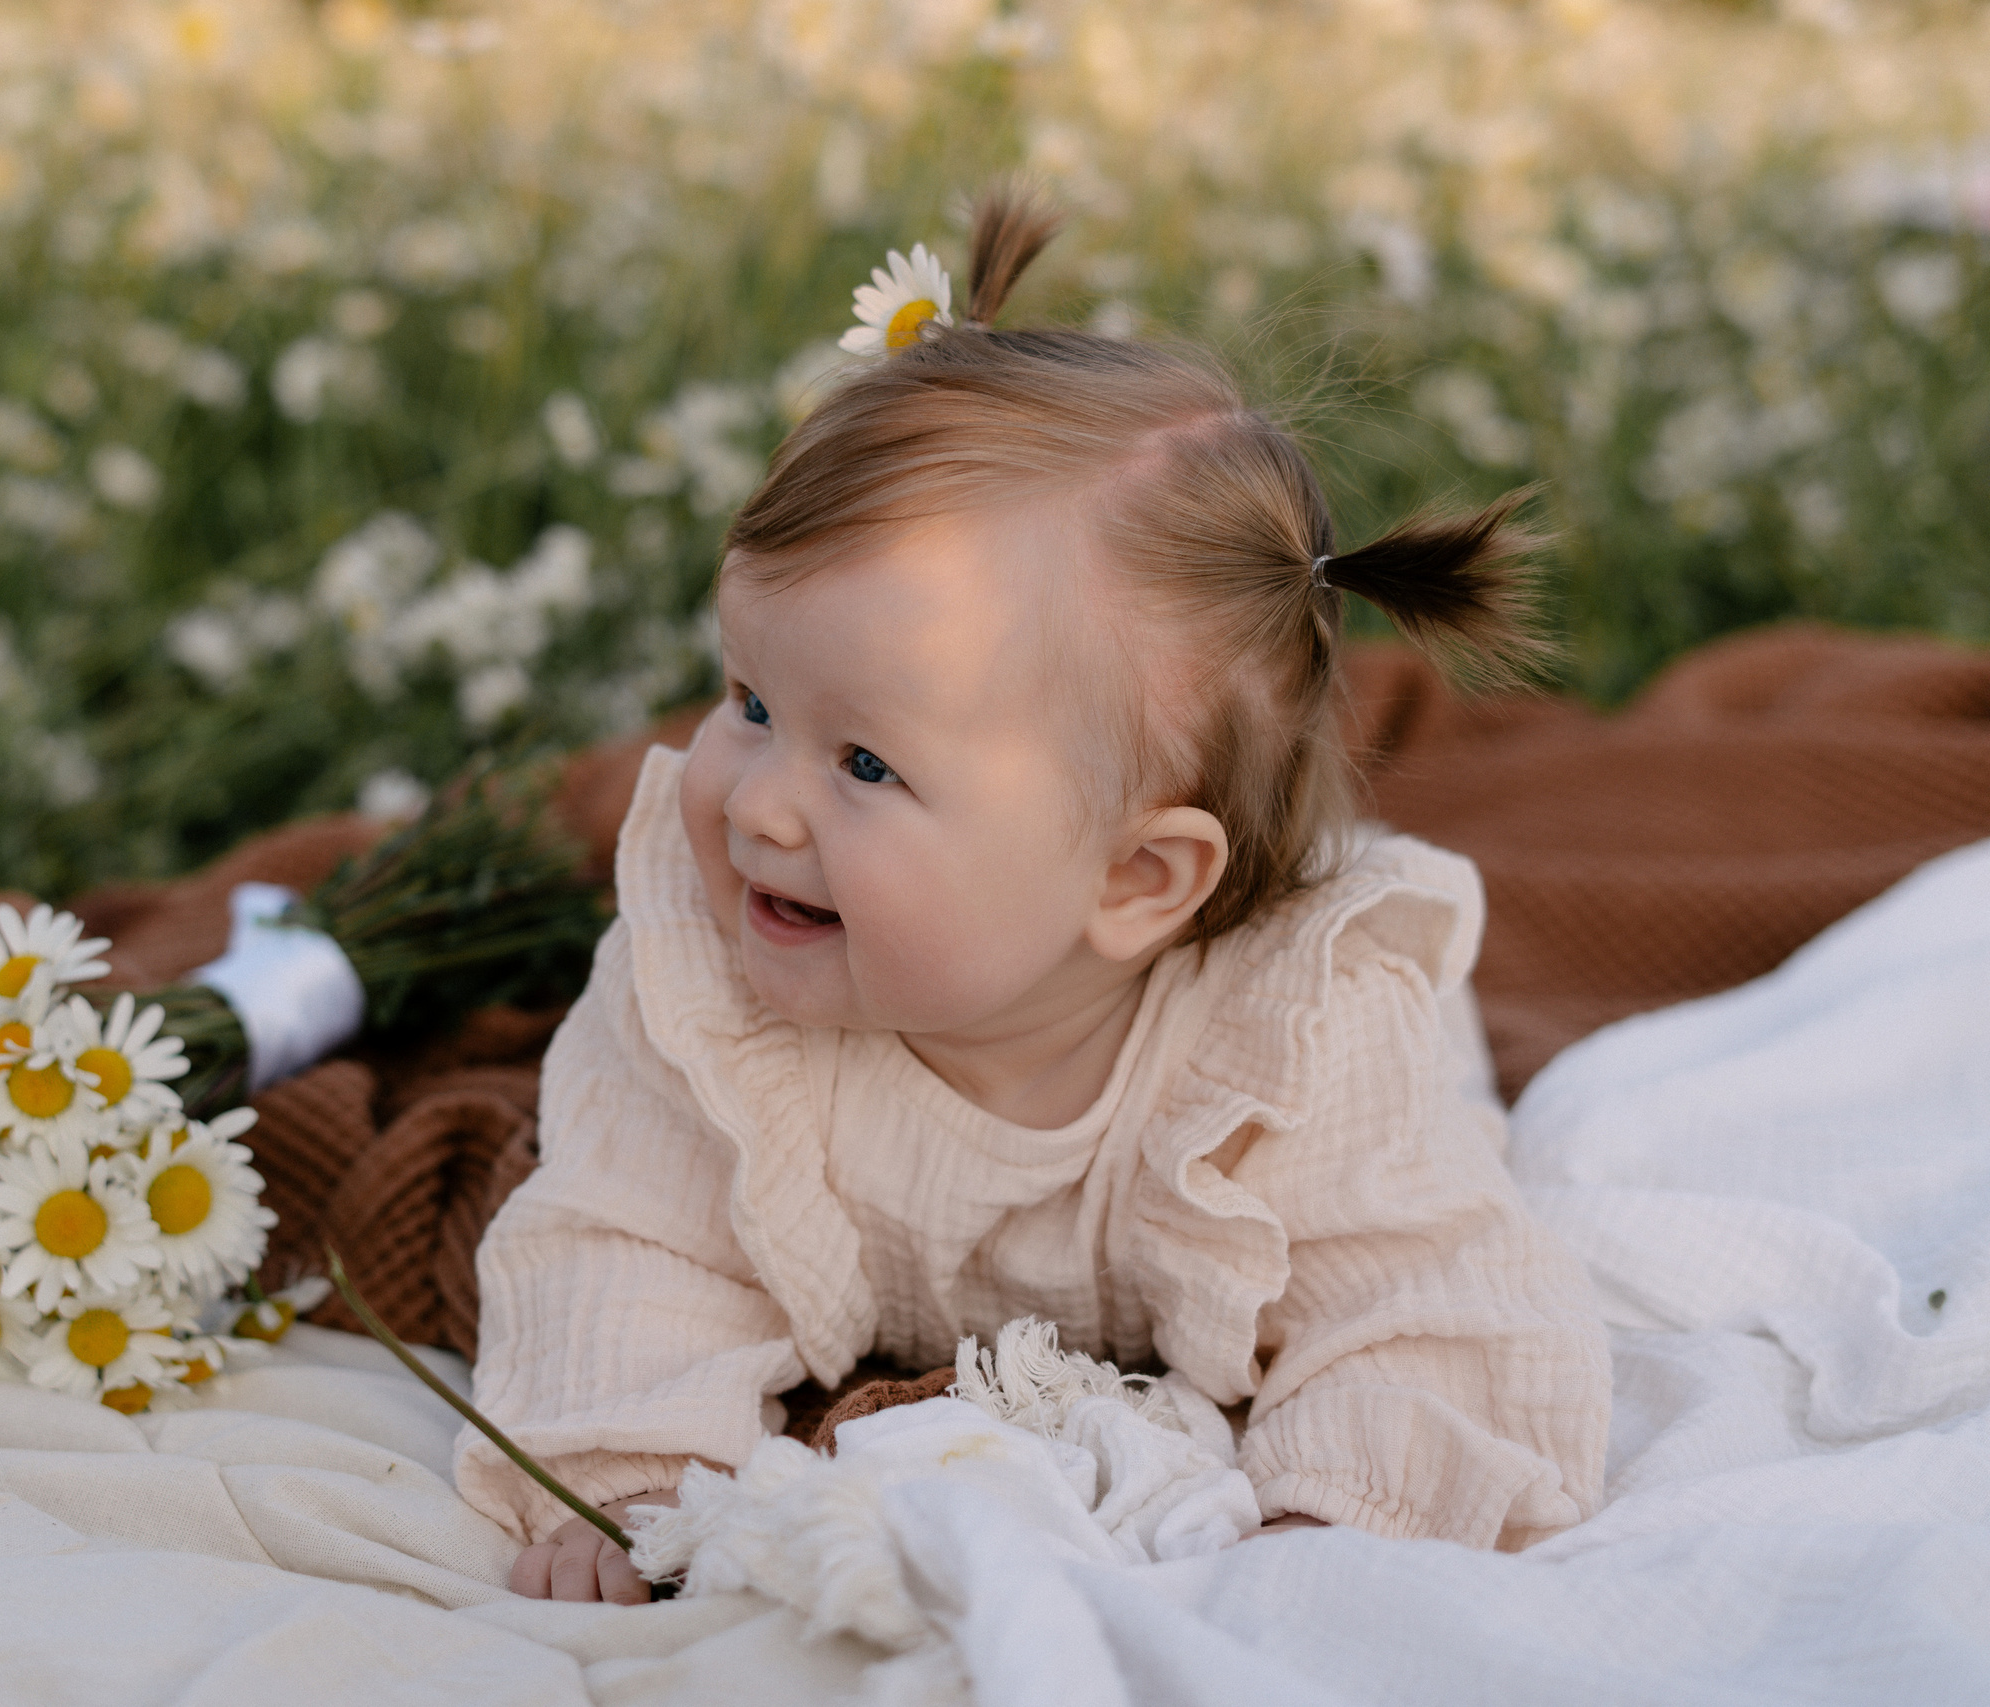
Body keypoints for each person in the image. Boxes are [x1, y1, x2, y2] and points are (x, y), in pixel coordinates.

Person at [464, 187, 1611, 1605]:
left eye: (865, 760)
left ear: (1136, 879)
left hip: (1304, 1059)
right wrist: (625, 1476)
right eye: (750, 698)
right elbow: (619, 1238)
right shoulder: (707, 998)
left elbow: (1437, 1315)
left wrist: (1336, 1528)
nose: (755, 800)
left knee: (1446, 1149)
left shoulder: (1297, 1057)